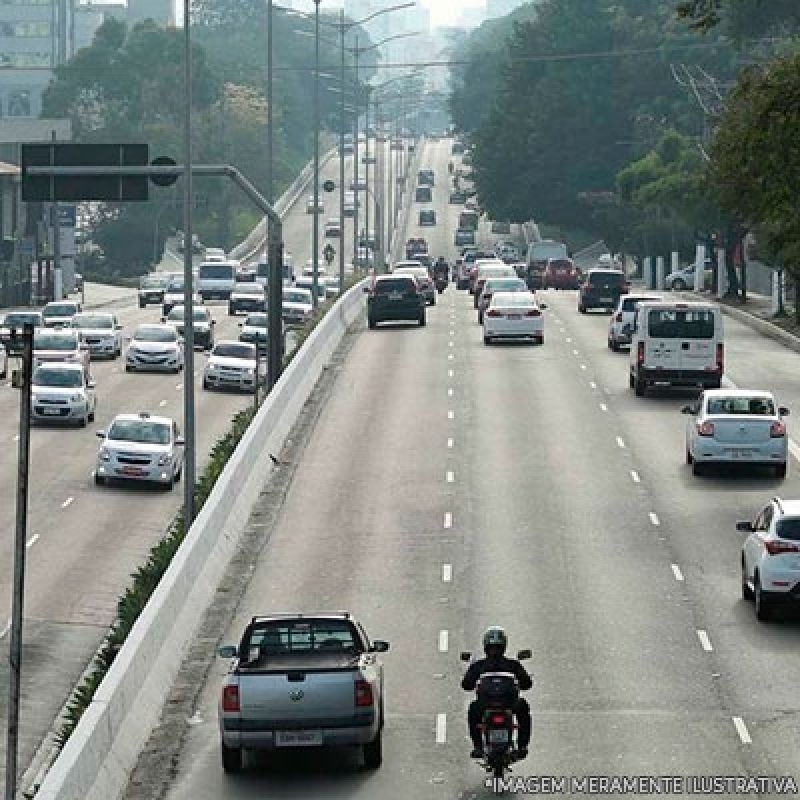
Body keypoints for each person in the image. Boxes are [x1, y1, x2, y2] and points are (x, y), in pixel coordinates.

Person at [462, 626, 532, 760]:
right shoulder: (512, 664)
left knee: (473, 710)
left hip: (485, 704)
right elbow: (527, 684)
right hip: (509, 704)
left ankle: (478, 746)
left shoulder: (479, 665)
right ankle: (522, 745)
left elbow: (466, 685)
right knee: (523, 710)